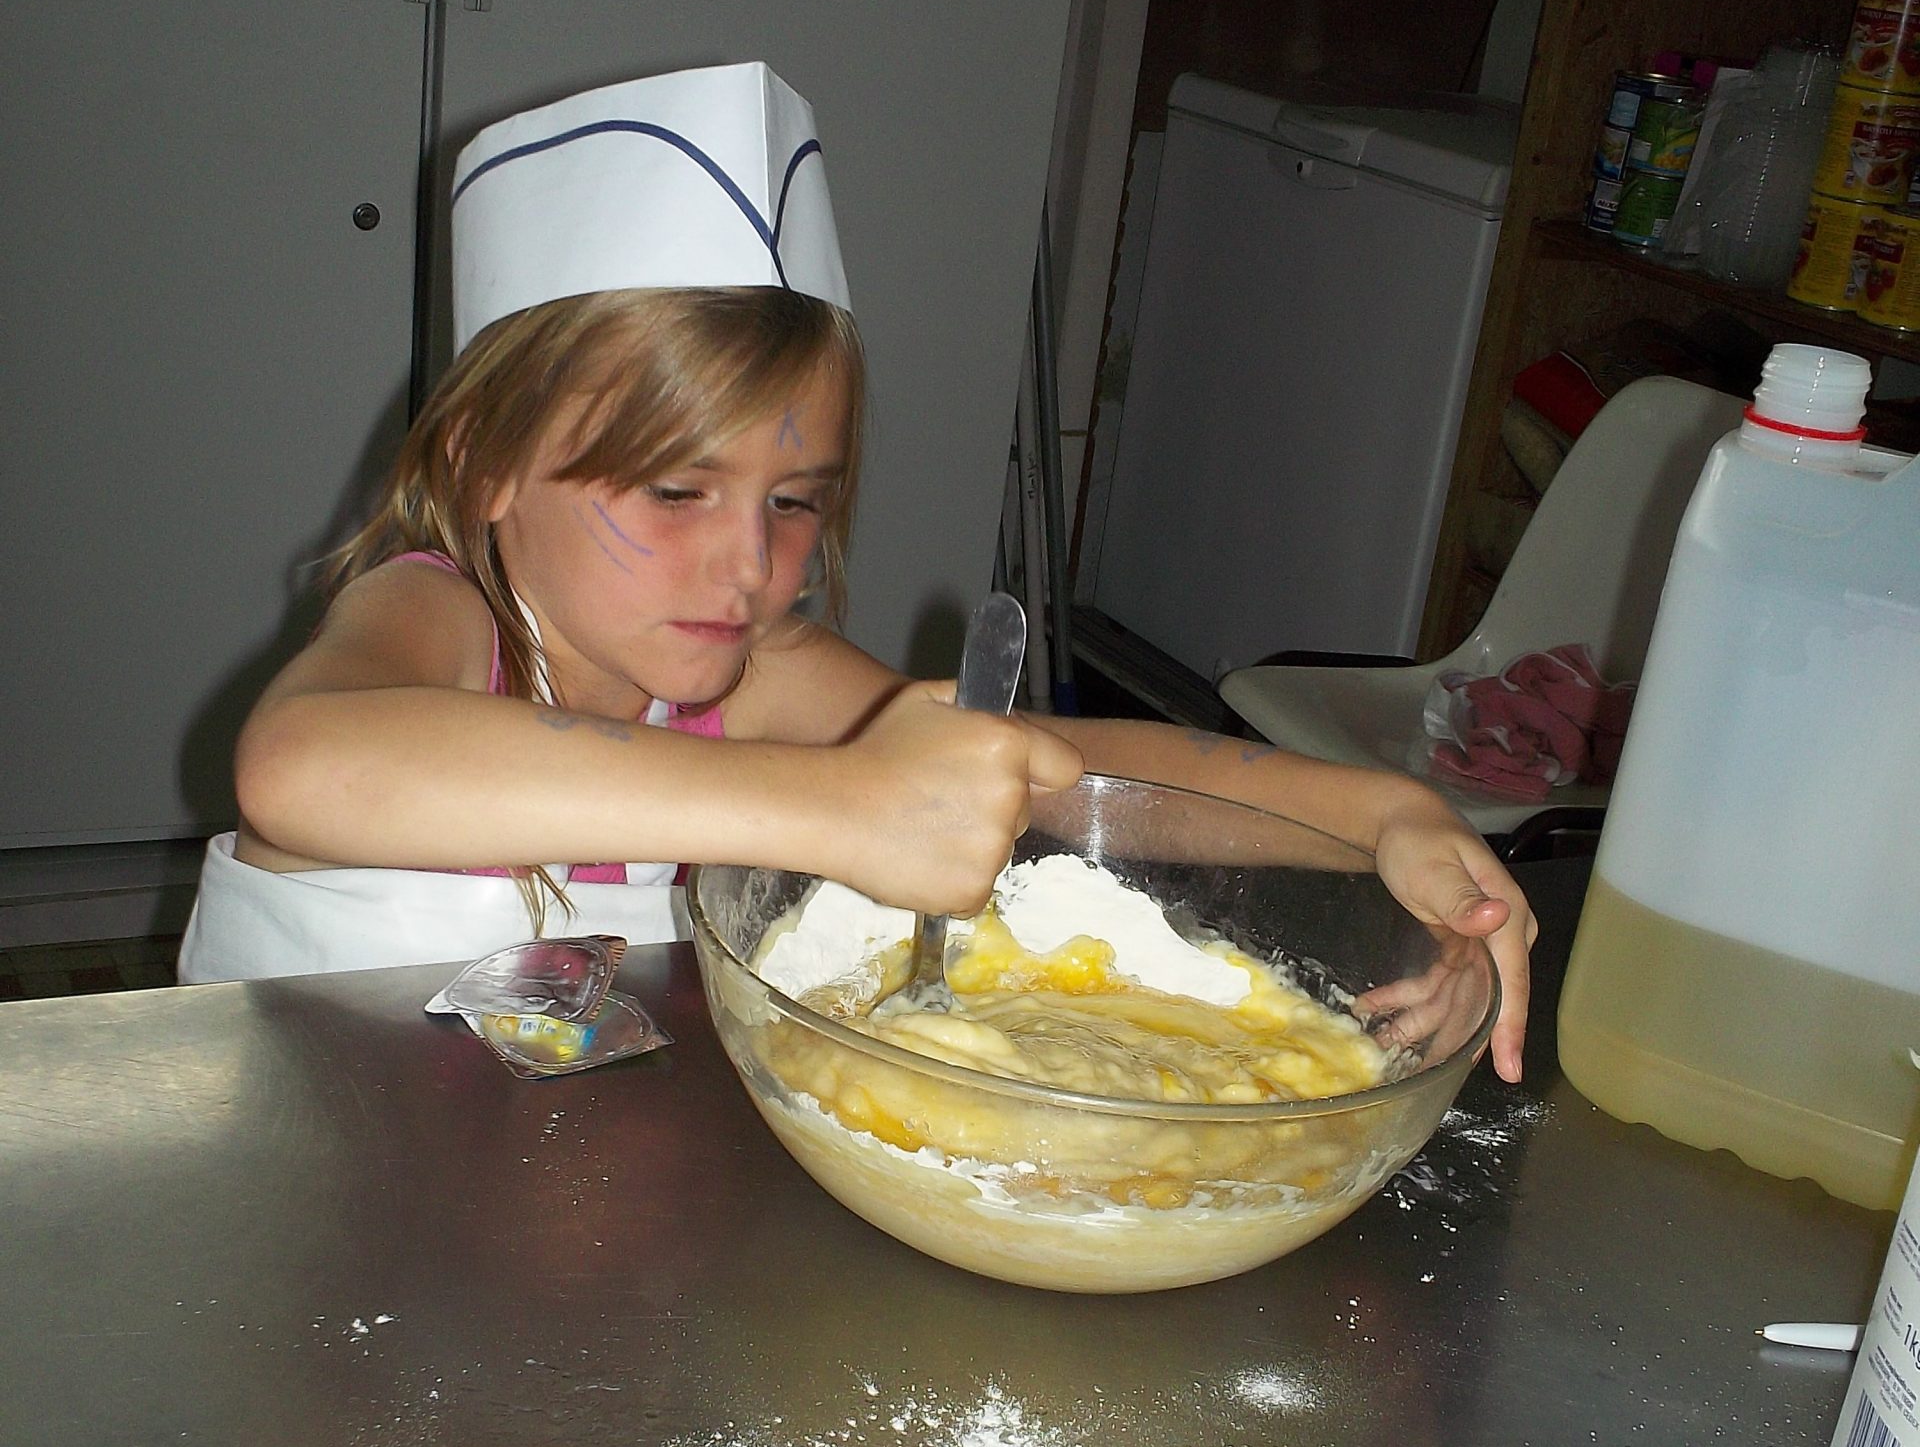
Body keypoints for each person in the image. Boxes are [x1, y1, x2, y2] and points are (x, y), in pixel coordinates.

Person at [180, 62, 1535, 1079]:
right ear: (484, 462)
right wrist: (833, 804)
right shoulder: (438, 615)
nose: (749, 564)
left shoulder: (747, 679)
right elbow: (303, 766)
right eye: (674, 491)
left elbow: (1056, 772)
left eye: (793, 502)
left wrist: (1376, 815)